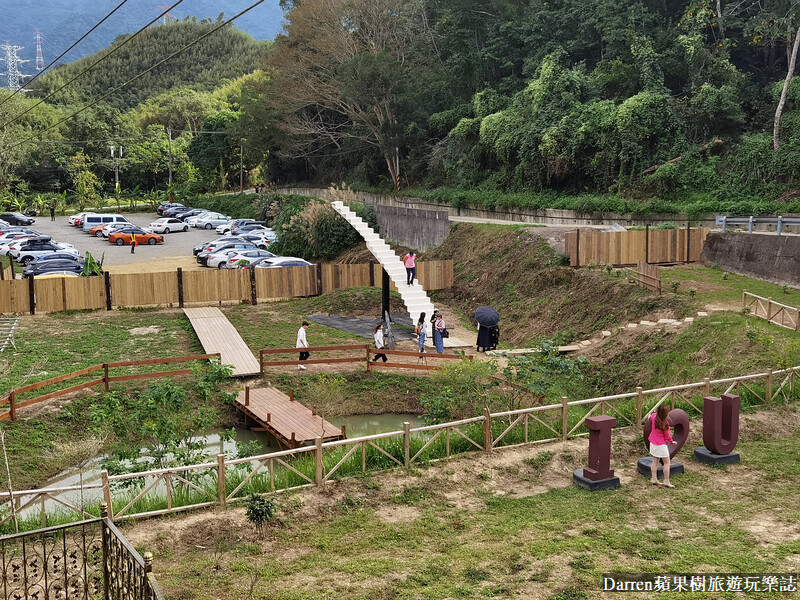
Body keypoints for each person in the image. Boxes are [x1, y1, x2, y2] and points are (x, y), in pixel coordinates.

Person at [649, 404, 677, 487]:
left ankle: (654, 478)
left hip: (653, 443)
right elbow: (667, 436)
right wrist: (672, 442)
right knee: (667, 462)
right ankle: (666, 481)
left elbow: (649, 417)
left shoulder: (654, 417)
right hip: (661, 445)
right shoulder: (665, 424)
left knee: (655, 461)